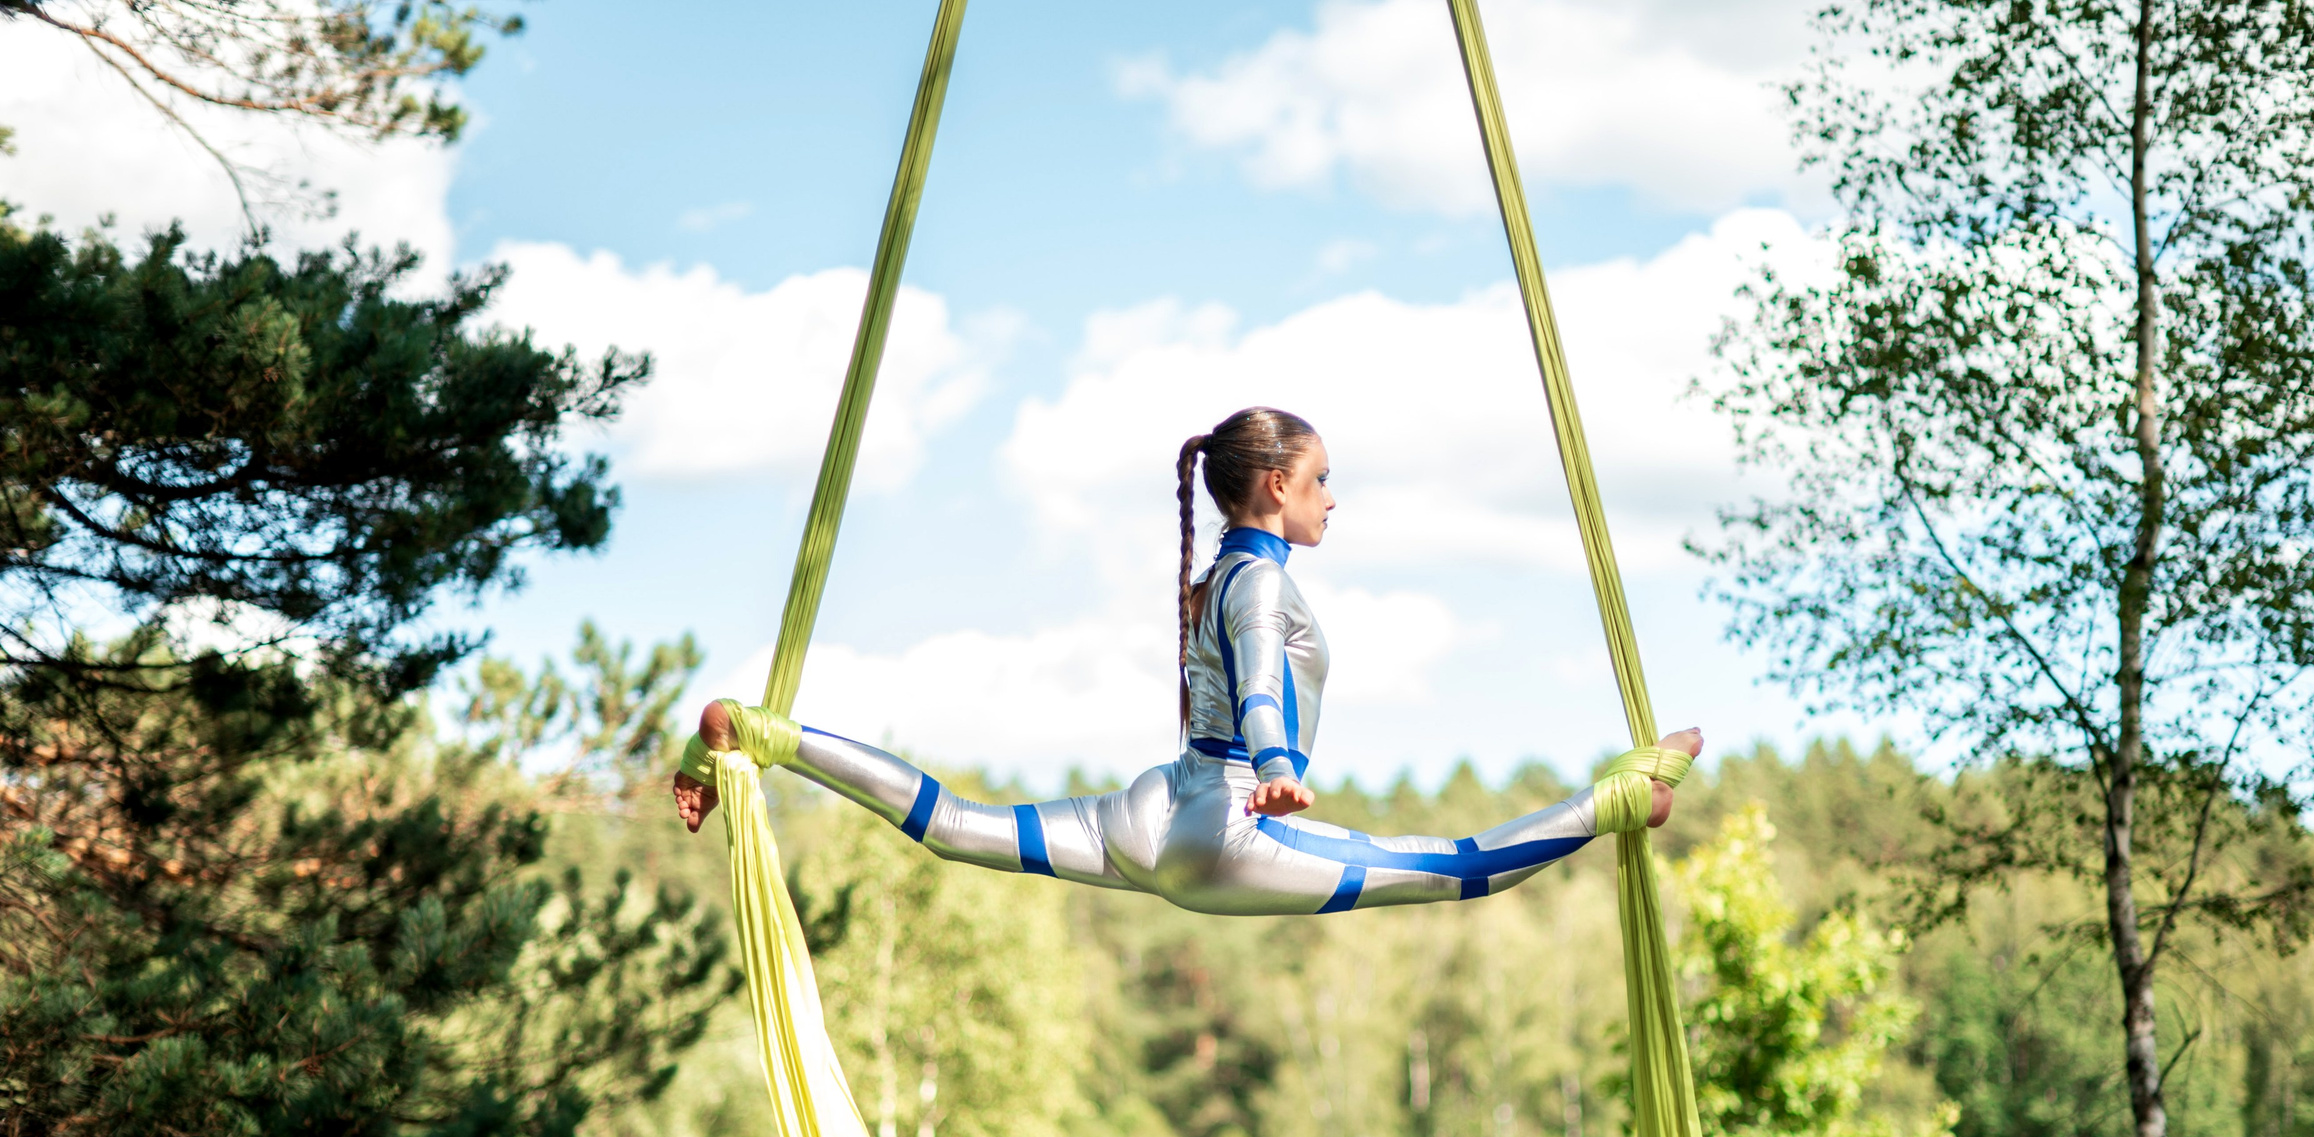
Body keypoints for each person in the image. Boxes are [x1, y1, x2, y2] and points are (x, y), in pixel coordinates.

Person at [670, 406, 1699, 915]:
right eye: (1322, 481)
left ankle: (769, 736)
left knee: (959, 827)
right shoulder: (1258, 583)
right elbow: (1258, 678)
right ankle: (1613, 804)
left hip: (1154, 806)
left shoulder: (1213, 571)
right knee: (1453, 870)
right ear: (1276, 488)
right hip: (1235, 823)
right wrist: (1281, 763)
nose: (1333, 499)